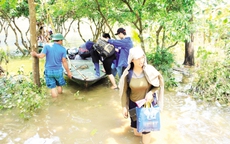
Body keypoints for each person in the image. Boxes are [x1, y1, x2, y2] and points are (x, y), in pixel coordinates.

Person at [118, 47, 164, 144]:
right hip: (133, 105)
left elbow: (158, 85)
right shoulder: (128, 74)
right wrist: (123, 107)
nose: (141, 60)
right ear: (132, 60)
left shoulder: (149, 71)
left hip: (146, 106)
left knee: (146, 131)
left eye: (142, 57)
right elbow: (124, 91)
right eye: (138, 58)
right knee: (136, 131)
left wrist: (150, 93)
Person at [31, 33, 72, 98]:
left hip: (49, 70)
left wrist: (35, 54)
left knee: (53, 87)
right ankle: (61, 98)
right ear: (60, 40)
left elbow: (41, 56)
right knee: (59, 85)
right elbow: (64, 61)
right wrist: (68, 72)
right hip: (58, 70)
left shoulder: (47, 46)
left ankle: (55, 101)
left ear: (54, 40)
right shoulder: (63, 49)